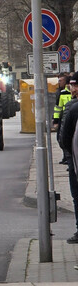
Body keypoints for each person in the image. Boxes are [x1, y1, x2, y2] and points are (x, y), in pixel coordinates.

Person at [57, 75, 78, 243]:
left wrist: (69, 154)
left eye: (76, 86)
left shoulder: (73, 108)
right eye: (72, 85)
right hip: (74, 159)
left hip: (75, 161)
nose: (73, 89)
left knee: (77, 196)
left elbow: (65, 138)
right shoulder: (71, 106)